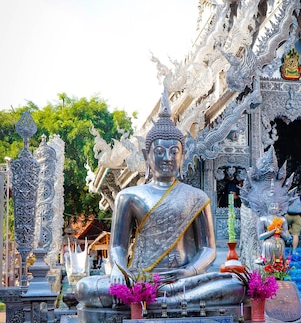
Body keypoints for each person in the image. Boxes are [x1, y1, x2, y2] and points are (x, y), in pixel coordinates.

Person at [75, 90, 245, 310]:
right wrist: (118, 270)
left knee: (236, 286)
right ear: (147, 157)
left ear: (182, 156)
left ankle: (156, 301)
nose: (167, 158)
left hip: (185, 280)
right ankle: (164, 301)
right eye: (159, 151)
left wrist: (190, 270)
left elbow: (208, 249)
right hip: (140, 278)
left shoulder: (197, 197)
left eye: (174, 151)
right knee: (85, 288)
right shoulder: (129, 196)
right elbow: (118, 245)